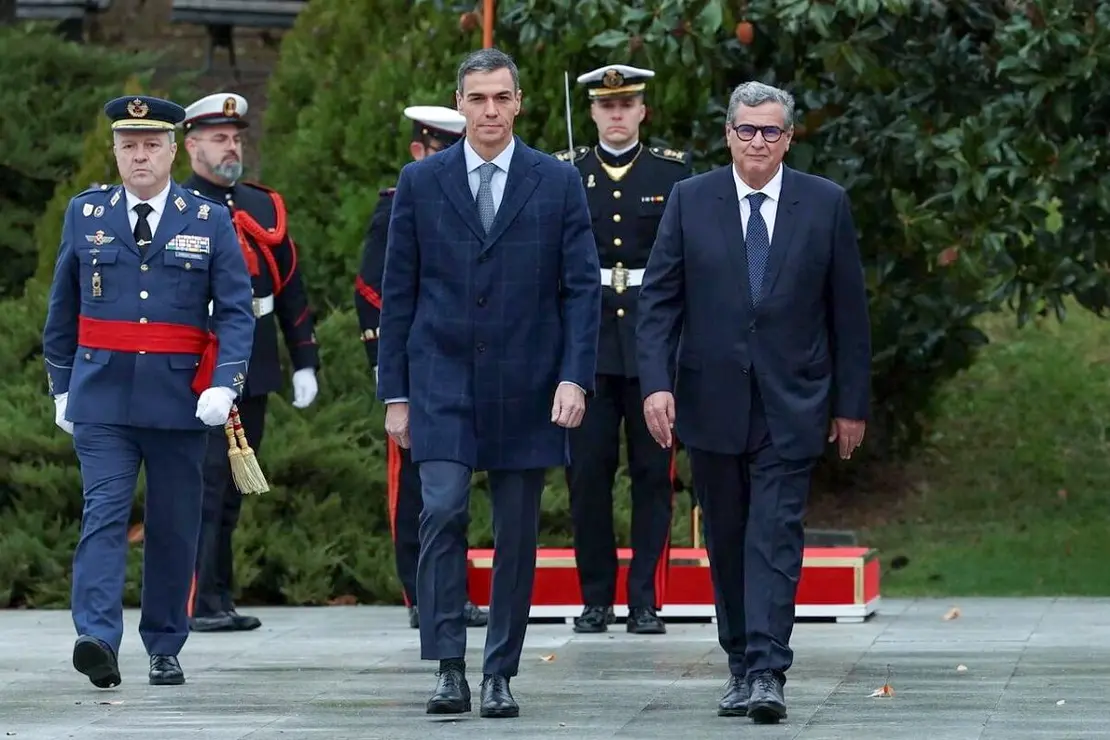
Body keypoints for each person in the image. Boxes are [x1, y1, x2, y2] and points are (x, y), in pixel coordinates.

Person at [636, 81, 871, 724]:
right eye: (747, 130)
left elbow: (848, 314)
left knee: (774, 536)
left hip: (792, 402)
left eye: (771, 131)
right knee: (730, 537)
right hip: (710, 401)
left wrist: (851, 405)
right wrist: (655, 383)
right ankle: (739, 660)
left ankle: (769, 668)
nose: (758, 142)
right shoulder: (689, 200)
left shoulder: (824, 204)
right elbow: (658, 303)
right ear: (729, 135)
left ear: (789, 138)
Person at [377, 48, 600, 719]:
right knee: (441, 511)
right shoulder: (422, 183)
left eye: (501, 98)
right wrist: (396, 393)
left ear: (519, 101)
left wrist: (574, 378)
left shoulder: (556, 182)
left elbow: (581, 289)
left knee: (516, 533)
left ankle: (500, 670)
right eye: (477, 99)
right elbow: (399, 292)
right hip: (441, 377)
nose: (490, 111)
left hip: (528, 383)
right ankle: (448, 665)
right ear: (460, 102)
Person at [42, 95, 255, 688]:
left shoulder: (208, 218)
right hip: (102, 397)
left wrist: (225, 383)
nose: (140, 156)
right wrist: (61, 385)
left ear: (171, 150)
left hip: (178, 401)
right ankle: (97, 639)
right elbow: (63, 309)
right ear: (115, 151)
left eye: (151, 145)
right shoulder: (85, 215)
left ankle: (164, 643)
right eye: (128, 145)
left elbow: (238, 313)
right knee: (103, 515)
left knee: (174, 524)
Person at [553, 64, 693, 636]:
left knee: (652, 475)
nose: (616, 114)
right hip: (587, 346)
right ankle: (595, 598)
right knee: (587, 476)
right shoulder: (568, 174)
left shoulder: (672, 172)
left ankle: (644, 600)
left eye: (626, 104)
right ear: (590, 112)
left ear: (642, 111)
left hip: (650, 345)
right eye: (605, 106)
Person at [179, 92, 321, 633]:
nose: (230, 147)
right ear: (191, 146)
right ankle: (196, 599)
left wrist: (304, 358)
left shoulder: (262, 206)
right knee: (207, 486)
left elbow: (289, 288)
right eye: (218, 138)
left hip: (254, 361)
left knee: (234, 489)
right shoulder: (178, 206)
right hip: (198, 364)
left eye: (236, 138)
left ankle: (218, 598)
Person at [354, 104, 489, 631]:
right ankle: (421, 593)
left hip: (471, 365)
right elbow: (373, 292)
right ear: (418, 151)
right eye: (441, 148)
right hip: (416, 368)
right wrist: (386, 370)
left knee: (455, 490)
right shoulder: (398, 205)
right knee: (416, 491)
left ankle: (451, 592)